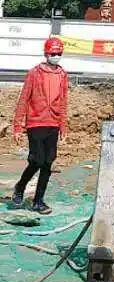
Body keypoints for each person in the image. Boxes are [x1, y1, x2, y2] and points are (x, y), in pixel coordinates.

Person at [9, 37, 68, 214]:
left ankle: (39, 201)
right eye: (53, 53)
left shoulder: (62, 75)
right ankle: (20, 187)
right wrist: (17, 126)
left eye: (58, 53)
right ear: (46, 53)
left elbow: (63, 101)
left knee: (48, 162)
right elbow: (24, 99)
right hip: (35, 122)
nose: (56, 56)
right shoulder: (34, 73)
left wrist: (63, 126)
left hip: (53, 122)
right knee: (37, 160)